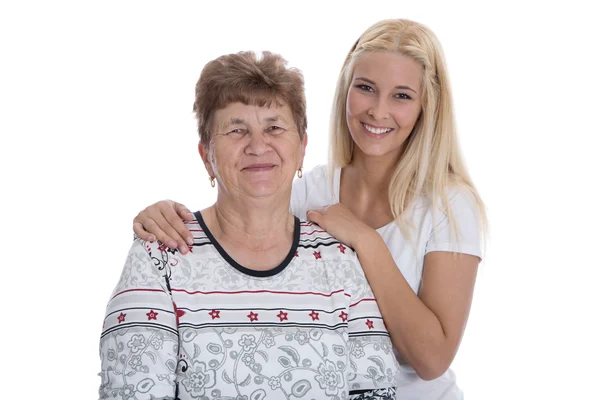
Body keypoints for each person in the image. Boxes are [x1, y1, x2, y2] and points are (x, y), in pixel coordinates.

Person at [132, 19, 487, 400]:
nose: (378, 111)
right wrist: (162, 214)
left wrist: (366, 241)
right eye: (366, 88)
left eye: (401, 96)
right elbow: (235, 211)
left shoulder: (449, 205)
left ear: (426, 107)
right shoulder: (310, 192)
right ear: (346, 91)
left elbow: (432, 359)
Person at [99, 50, 399, 400]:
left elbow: (374, 392)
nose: (258, 146)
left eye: (274, 127)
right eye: (236, 130)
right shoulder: (159, 257)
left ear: (302, 148)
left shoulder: (341, 259)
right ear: (206, 155)